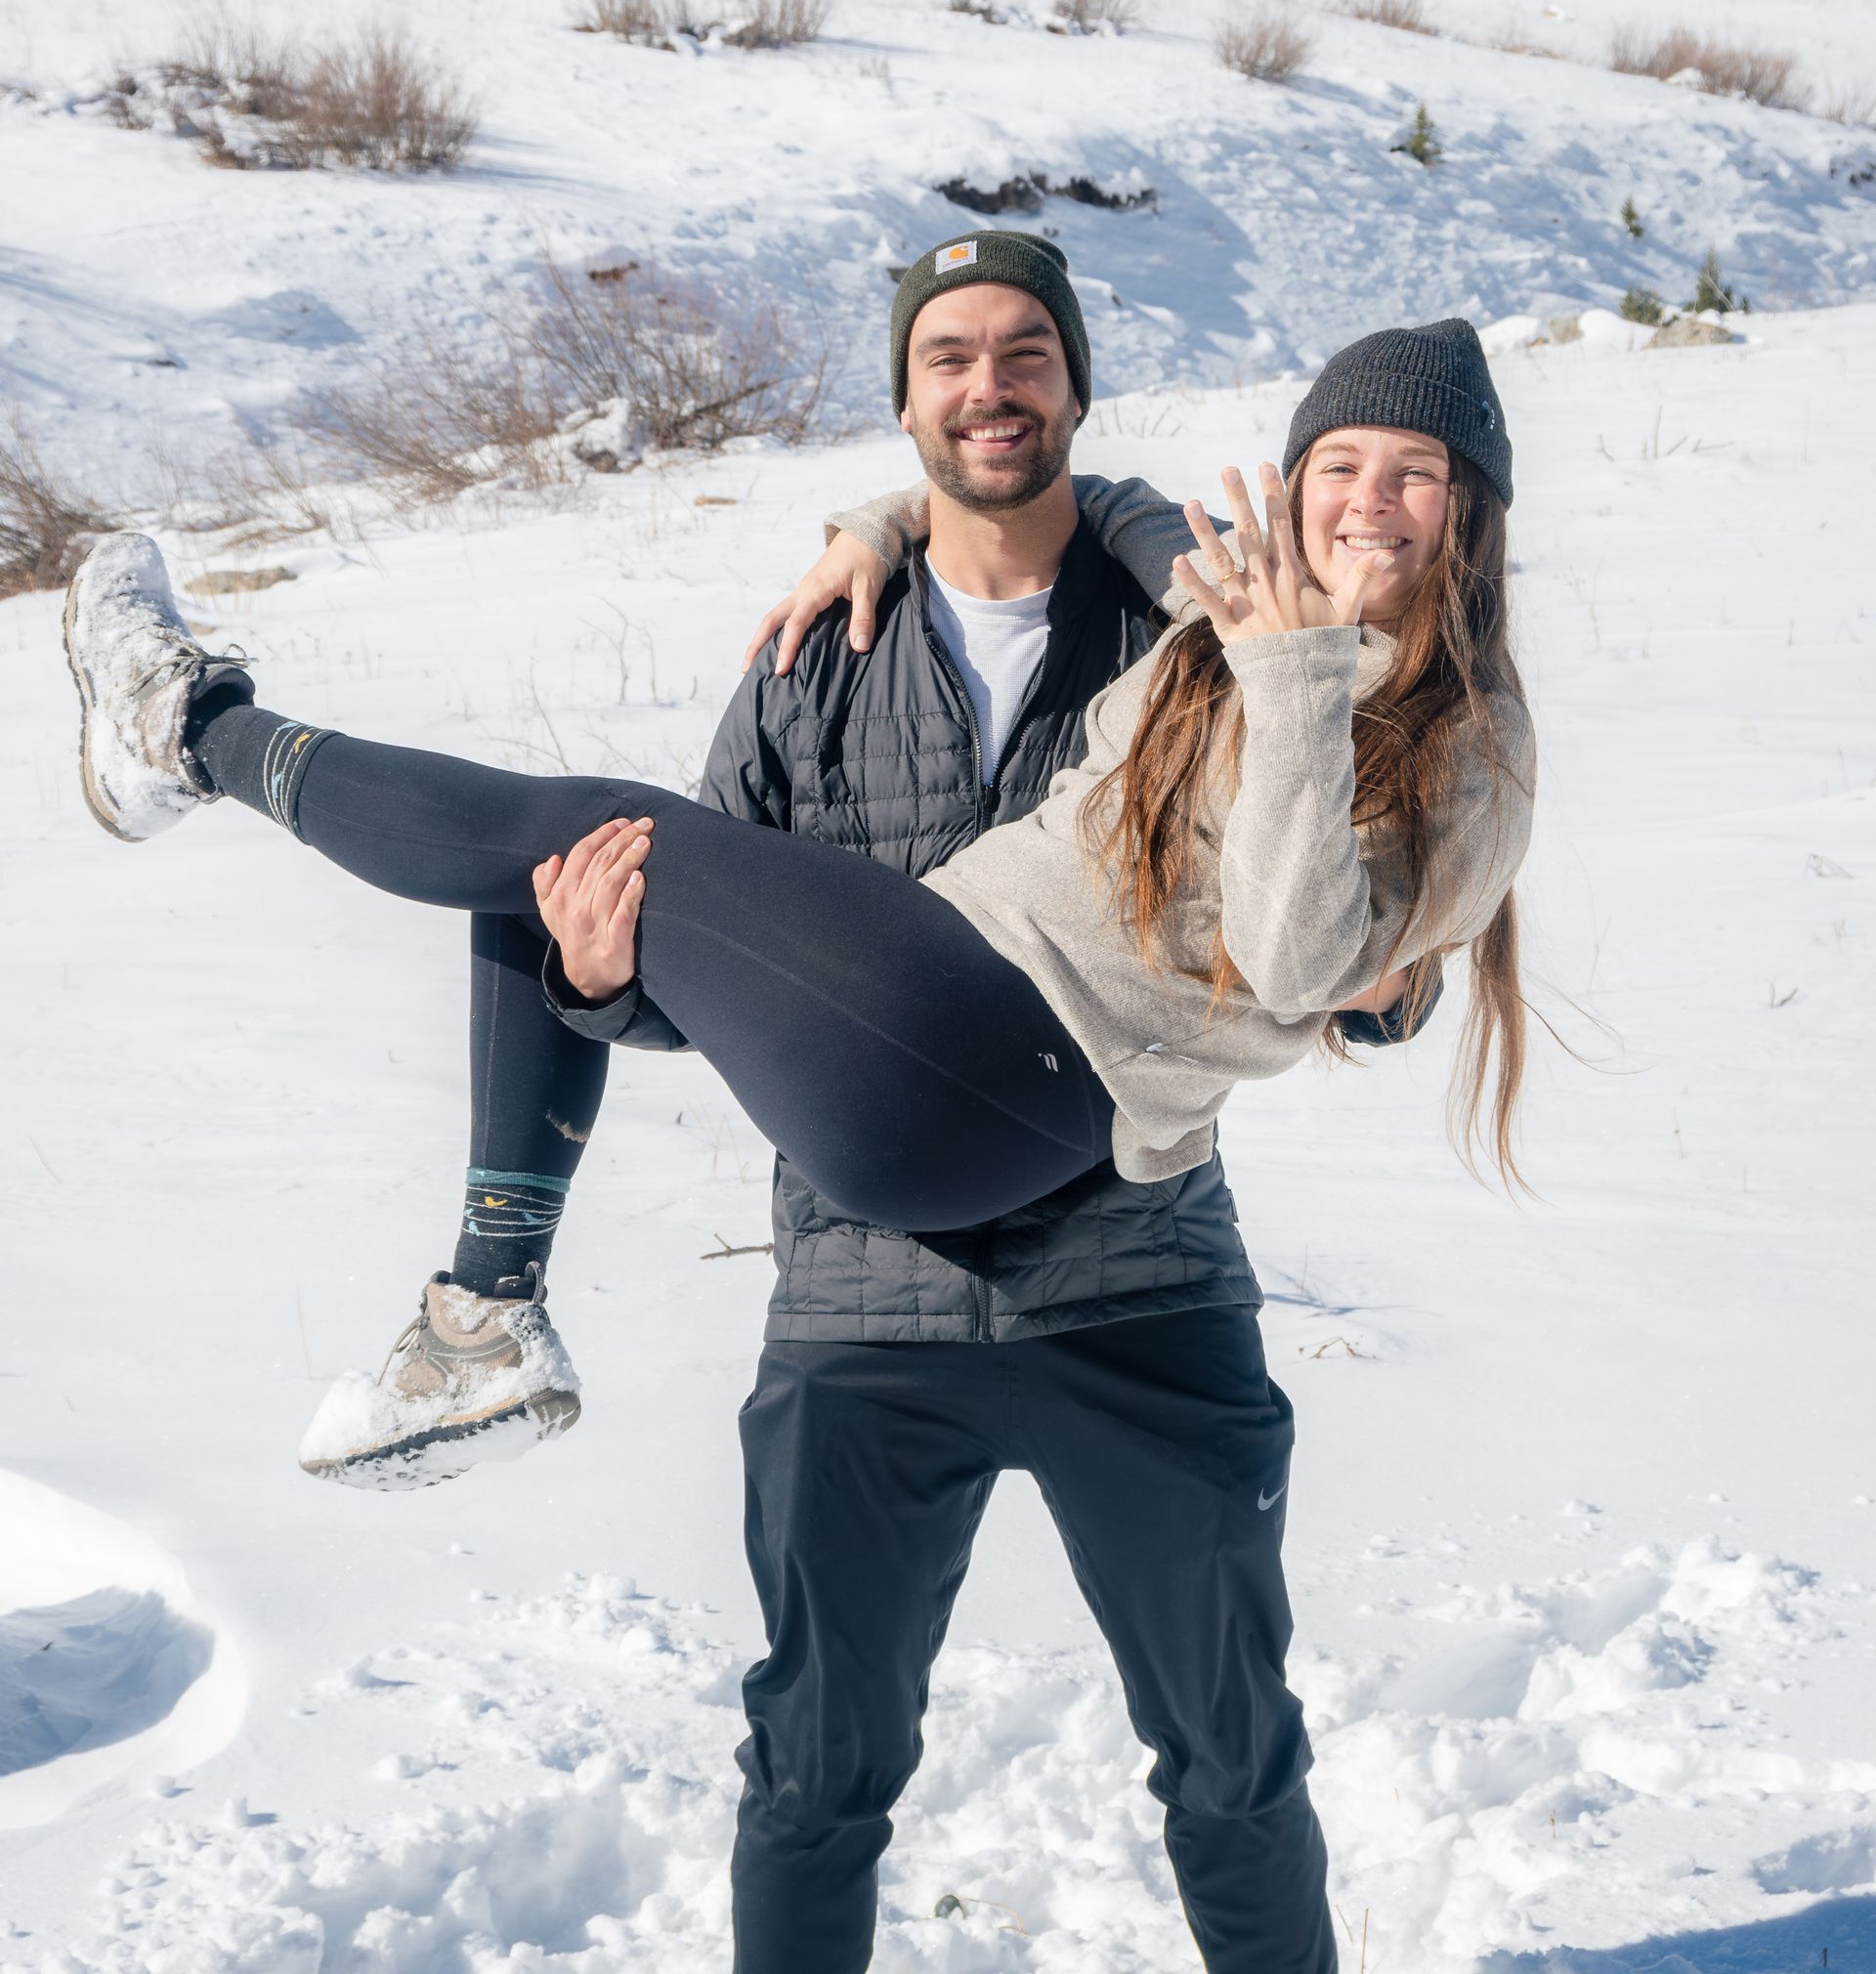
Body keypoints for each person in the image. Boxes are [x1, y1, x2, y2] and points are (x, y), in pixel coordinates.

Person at [63, 282, 1533, 1974]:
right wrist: (606, 988)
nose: (1366, 498)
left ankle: (188, 729)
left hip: (1124, 1275)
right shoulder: (824, 654)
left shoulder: (1225, 627)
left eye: (1412, 469)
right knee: (560, 874)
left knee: (1233, 1768)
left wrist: (1355, 876)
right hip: (871, 1282)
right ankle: (483, 1299)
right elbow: (731, 989)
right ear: (908, 409)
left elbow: (1311, 950)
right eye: (1336, 460)